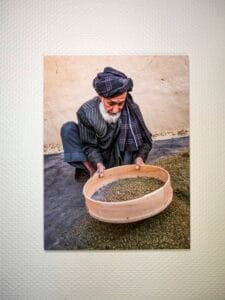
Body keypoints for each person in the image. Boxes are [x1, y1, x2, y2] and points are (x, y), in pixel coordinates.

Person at [60, 67, 152, 181]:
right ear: (101, 97)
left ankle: (117, 168)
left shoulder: (132, 108)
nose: (115, 109)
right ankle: (91, 170)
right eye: (111, 103)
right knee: (68, 128)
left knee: (129, 159)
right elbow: (89, 145)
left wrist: (139, 157)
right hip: (99, 153)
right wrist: (98, 164)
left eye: (120, 103)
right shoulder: (86, 112)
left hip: (121, 154)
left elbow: (146, 140)